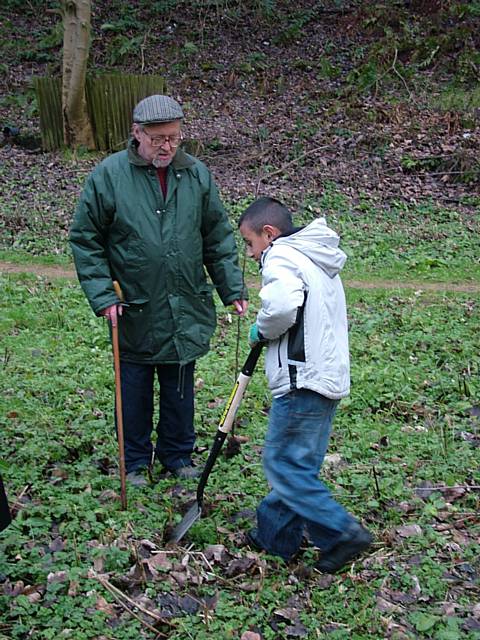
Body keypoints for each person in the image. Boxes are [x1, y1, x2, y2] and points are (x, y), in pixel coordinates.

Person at [70, 95, 248, 486]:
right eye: (157, 139)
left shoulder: (196, 174)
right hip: (132, 306)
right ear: (137, 134)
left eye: (174, 137)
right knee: (133, 390)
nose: (167, 146)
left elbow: (217, 236)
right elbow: (86, 239)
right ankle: (134, 462)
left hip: (184, 303)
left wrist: (231, 288)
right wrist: (103, 296)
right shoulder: (108, 175)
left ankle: (177, 456)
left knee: (180, 388)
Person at [238, 196, 372, 573]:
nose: (250, 254)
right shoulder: (316, 257)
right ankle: (276, 538)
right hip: (326, 375)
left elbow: (280, 307)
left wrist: (261, 329)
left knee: (283, 464)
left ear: (269, 233)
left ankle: (341, 532)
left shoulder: (281, 256)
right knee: (298, 465)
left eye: (250, 244)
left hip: (301, 378)